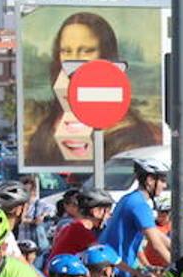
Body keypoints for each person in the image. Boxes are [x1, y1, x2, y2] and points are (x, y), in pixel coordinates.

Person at [24, 11, 162, 167]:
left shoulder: (126, 135)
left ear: (105, 54)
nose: (74, 59)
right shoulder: (51, 119)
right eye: (66, 51)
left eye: (86, 51)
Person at [98, 157, 169, 270]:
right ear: (150, 180)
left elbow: (156, 233)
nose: (164, 185)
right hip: (115, 269)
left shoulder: (128, 198)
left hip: (113, 265)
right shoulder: (140, 205)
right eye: (162, 180)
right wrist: (178, 267)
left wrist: (179, 250)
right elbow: (156, 245)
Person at [49, 186, 113, 257]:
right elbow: (104, 256)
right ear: (95, 212)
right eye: (107, 211)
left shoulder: (71, 227)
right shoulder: (80, 230)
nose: (109, 216)